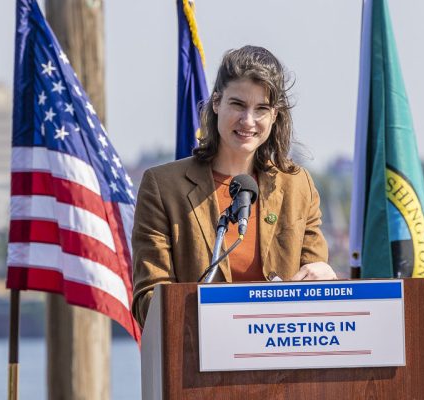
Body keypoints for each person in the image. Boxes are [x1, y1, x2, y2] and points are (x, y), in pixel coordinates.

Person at [131, 45, 336, 325]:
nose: (248, 121)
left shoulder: (298, 185)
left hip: (285, 360)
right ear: (217, 103)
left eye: (261, 109)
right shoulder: (162, 187)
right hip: (197, 360)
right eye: (237, 104)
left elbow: (315, 281)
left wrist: (325, 279)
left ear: (274, 116)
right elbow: (148, 302)